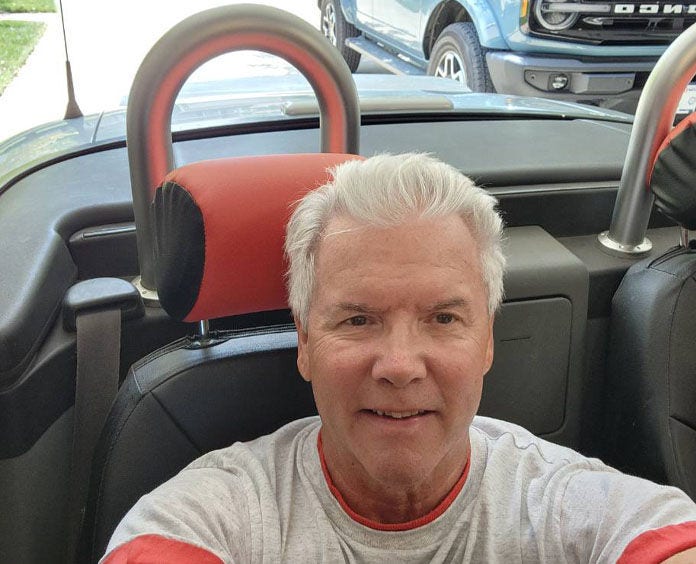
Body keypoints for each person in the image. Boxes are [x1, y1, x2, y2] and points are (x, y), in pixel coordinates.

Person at [102, 153, 696, 563]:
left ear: (487, 340)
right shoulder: (214, 515)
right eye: (358, 320)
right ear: (305, 342)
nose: (401, 365)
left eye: (443, 319)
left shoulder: (563, 502)